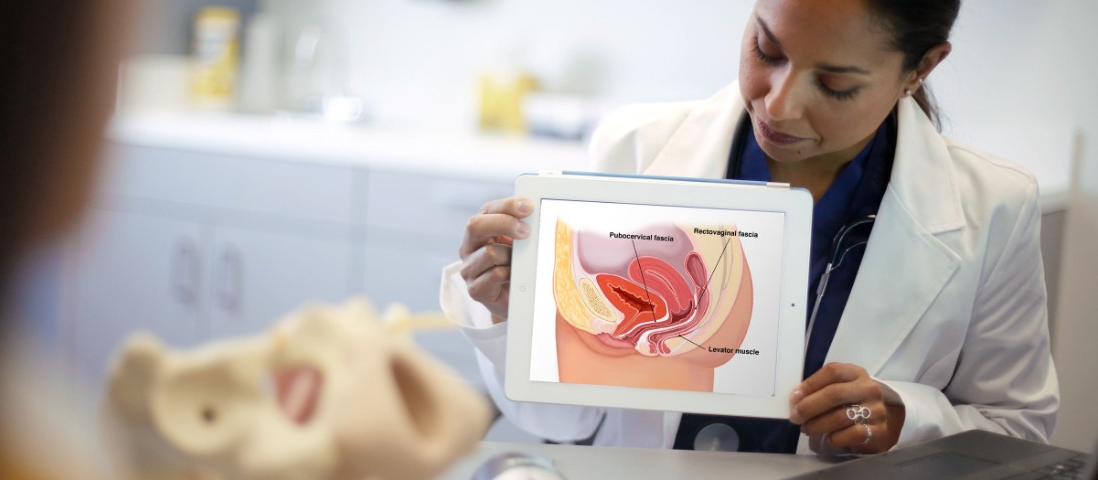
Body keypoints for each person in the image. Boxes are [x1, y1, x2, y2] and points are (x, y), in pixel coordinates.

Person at [443, 0, 1059, 456]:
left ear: (920, 68)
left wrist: (906, 421)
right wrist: (511, 313)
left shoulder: (994, 207)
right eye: (767, 50)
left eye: (835, 85)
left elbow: (1019, 427)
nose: (778, 104)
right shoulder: (634, 146)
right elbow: (564, 422)